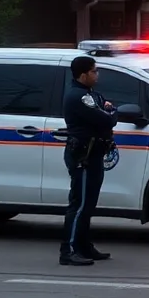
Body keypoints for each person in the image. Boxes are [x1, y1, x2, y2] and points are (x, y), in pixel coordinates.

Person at [60, 55, 118, 267]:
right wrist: (111, 112)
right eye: (94, 71)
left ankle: (84, 246)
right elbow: (105, 118)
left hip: (93, 155)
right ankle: (69, 250)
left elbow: (104, 109)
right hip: (83, 156)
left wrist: (107, 110)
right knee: (80, 204)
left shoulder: (89, 95)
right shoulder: (78, 97)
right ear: (83, 74)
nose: (97, 74)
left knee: (88, 204)